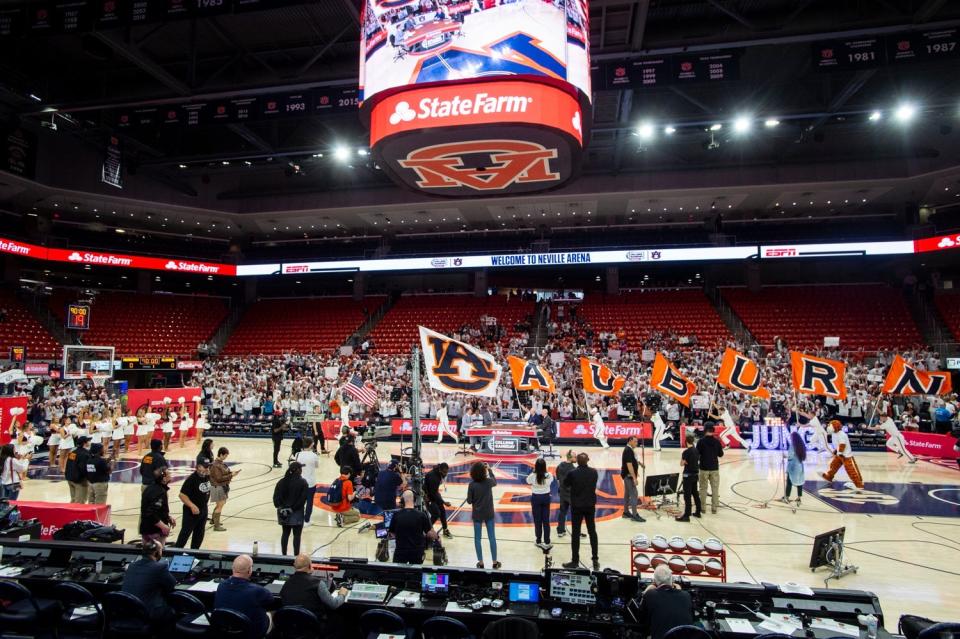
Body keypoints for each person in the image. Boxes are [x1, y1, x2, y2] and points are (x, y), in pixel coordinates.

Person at [279, 554, 348, 638]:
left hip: (292, 627)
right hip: (313, 627)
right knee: (340, 620)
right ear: (310, 566)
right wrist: (342, 594)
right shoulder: (317, 583)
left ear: (294, 566)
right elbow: (333, 604)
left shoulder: (287, 583)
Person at [214, 555, 274, 639]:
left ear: (232, 568)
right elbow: (271, 600)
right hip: (251, 632)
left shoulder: (221, 585)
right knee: (271, 613)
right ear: (249, 570)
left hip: (226, 629)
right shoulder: (257, 590)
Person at [121, 540, 176, 625]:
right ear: (156, 553)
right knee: (173, 610)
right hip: (147, 612)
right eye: (161, 551)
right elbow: (172, 584)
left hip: (128, 611)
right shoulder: (160, 567)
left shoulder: (131, 566)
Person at [563, 453, 600, 571]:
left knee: (575, 533)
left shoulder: (572, 473)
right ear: (588, 460)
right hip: (590, 505)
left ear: (576, 462)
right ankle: (595, 559)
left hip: (577, 506)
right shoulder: (594, 472)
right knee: (592, 531)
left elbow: (565, 484)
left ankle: (575, 561)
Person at [638, 564, 694, 639]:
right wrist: (681, 591)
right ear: (672, 580)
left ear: (654, 581)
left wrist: (645, 593)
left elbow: (641, 619)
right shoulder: (686, 595)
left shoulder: (650, 595)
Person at [389, 489, 437, 564]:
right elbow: (432, 535)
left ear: (403, 500)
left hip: (401, 551)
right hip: (417, 552)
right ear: (414, 500)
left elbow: (392, 534)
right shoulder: (421, 515)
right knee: (416, 573)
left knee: (398, 573)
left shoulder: (396, 515)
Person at [467, 461, 500, 568]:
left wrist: (471, 496)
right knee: (492, 537)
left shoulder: (471, 485)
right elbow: (495, 481)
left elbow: (469, 501)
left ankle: (480, 563)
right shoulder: (489, 482)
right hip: (489, 514)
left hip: (477, 515)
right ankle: (495, 562)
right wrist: (490, 470)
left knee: (477, 538)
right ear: (484, 471)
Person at [274, 462, 309, 555]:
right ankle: (296, 556)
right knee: (297, 536)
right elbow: (303, 500)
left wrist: (283, 508)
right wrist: (292, 509)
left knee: (285, 534)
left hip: (283, 513)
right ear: (298, 470)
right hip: (296, 513)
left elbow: (275, 500)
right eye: (300, 468)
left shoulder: (281, 482)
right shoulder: (303, 482)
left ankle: (284, 555)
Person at [175, 460, 211, 549]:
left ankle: (194, 554)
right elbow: (182, 495)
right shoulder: (192, 479)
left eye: (208, 467)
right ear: (198, 467)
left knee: (199, 534)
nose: (207, 469)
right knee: (185, 534)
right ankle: (175, 553)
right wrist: (192, 505)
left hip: (203, 509)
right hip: (191, 512)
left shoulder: (207, 476)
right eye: (205, 467)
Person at [821, 420, 864, 491]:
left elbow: (842, 444)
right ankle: (829, 476)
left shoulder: (842, 434)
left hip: (846, 456)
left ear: (835, 427)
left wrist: (839, 452)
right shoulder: (834, 434)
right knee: (833, 465)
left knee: (851, 470)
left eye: (830, 426)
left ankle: (858, 484)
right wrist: (836, 451)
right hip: (839, 454)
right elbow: (837, 445)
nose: (828, 427)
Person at [140, 467, 176, 543]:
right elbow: (150, 513)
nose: (171, 475)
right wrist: (163, 526)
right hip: (154, 532)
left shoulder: (151, 487)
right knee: (155, 553)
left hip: (147, 529)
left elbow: (157, 510)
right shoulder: (160, 492)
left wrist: (167, 517)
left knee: (149, 553)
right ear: (163, 479)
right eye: (168, 474)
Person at [210, 446, 240, 532]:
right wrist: (231, 475)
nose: (226, 457)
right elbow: (219, 478)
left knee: (219, 505)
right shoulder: (215, 465)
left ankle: (214, 520)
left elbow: (224, 473)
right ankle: (216, 526)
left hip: (221, 486)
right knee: (220, 505)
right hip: (217, 487)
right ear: (221, 454)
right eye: (225, 455)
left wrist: (231, 473)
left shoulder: (221, 463)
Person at [696, 423, 724, 515]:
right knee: (715, 488)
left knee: (703, 488)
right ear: (713, 431)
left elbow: (697, 454)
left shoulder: (701, 441)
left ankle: (703, 508)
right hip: (714, 468)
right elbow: (721, 454)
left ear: (705, 430)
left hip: (703, 468)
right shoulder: (717, 441)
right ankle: (714, 508)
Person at [526, 457, 554, 549]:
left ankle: (538, 540)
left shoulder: (532, 476)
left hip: (536, 498)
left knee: (537, 520)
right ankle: (547, 541)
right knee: (546, 521)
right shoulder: (549, 475)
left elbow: (527, 481)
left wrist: (534, 472)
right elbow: (551, 482)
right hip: (546, 498)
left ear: (536, 467)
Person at [294, 436, 320, 525]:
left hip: (300, 481)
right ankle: (306, 520)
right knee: (309, 502)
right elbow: (316, 466)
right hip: (310, 482)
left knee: (300, 501)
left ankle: (298, 518)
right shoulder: (314, 455)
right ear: (311, 444)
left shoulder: (297, 454)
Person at [676, 434, 702, 522]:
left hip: (688, 476)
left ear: (686, 442)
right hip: (695, 475)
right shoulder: (696, 450)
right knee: (695, 494)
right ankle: (698, 512)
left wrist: (685, 462)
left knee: (687, 496)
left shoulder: (686, 452)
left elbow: (681, 463)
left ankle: (686, 516)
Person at [424, 462, 453, 538]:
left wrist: (441, 502)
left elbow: (435, 492)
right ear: (440, 470)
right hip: (427, 496)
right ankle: (426, 530)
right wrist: (443, 502)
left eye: (447, 472)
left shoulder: (438, 472)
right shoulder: (434, 478)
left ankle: (445, 529)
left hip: (433, 493)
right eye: (444, 472)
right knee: (436, 513)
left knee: (442, 511)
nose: (446, 474)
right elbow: (433, 494)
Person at [621, 435, 645, 522]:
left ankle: (626, 512)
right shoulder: (628, 450)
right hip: (628, 476)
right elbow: (629, 465)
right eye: (635, 441)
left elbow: (633, 460)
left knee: (627, 494)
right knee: (634, 494)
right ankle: (634, 515)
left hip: (627, 475)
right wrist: (634, 478)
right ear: (630, 441)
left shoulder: (630, 450)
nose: (637, 443)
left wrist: (640, 463)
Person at [555, 449, 578, 539]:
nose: (576, 458)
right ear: (570, 458)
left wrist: (561, 489)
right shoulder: (574, 470)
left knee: (562, 512)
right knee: (575, 513)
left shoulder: (559, 466)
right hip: (571, 495)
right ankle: (576, 532)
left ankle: (560, 530)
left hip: (562, 493)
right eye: (575, 457)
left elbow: (557, 480)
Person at [782, 430, 807, 506]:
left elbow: (790, 455)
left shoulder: (793, 445)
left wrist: (784, 456)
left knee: (789, 482)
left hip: (793, 466)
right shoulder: (802, 445)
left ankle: (786, 496)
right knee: (800, 481)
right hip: (800, 465)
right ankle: (799, 497)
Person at [64, 435, 91, 503]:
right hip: (79, 481)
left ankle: (69, 513)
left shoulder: (73, 452)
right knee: (80, 501)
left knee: (73, 500)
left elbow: (68, 464)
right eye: (88, 441)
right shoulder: (85, 454)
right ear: (85, 443)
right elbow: (83, 468)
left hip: (70, 478)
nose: (90, 442)